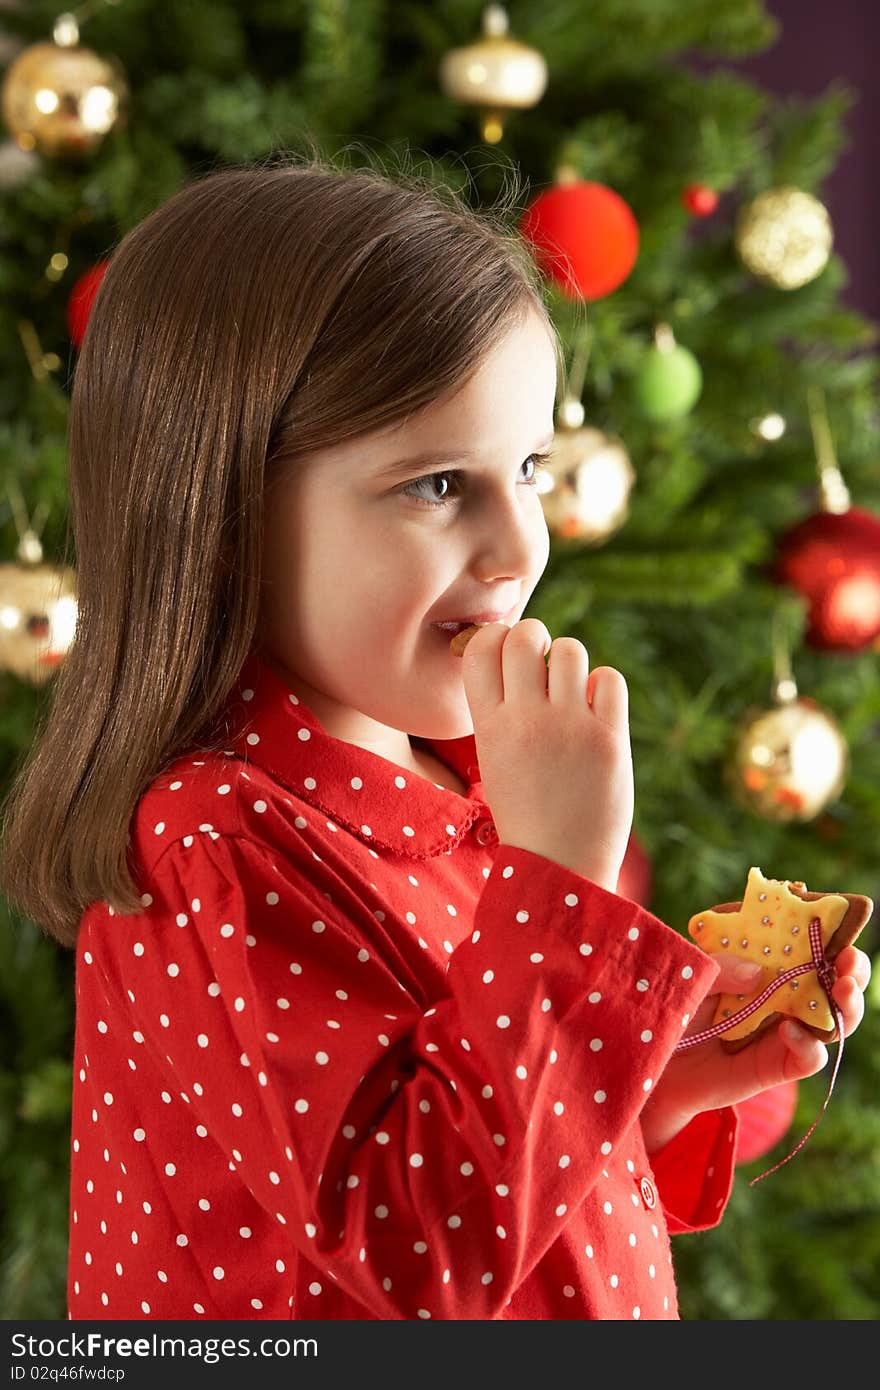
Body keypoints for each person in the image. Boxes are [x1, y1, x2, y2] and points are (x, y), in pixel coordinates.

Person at [0, 153, 869, 1322]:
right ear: (224, 517)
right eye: (436, 486)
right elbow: (417, 1259)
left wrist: (653, 1083)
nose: (522, 544)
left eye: (526, 467)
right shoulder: (217, 840)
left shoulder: (462, 795)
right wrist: (562, 880)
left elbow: (511, 1177)